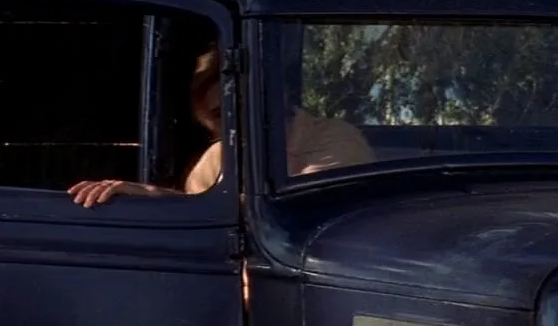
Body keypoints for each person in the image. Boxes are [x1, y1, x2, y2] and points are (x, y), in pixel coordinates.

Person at [69, 46, 372, 207]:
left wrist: (160, 195)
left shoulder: (335, 138)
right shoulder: (218, 157)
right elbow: (202, 220)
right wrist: (147, 197)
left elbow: (295, 211)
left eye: (241, 103)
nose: (233, 119)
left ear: (272, 96)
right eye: (218, 114)